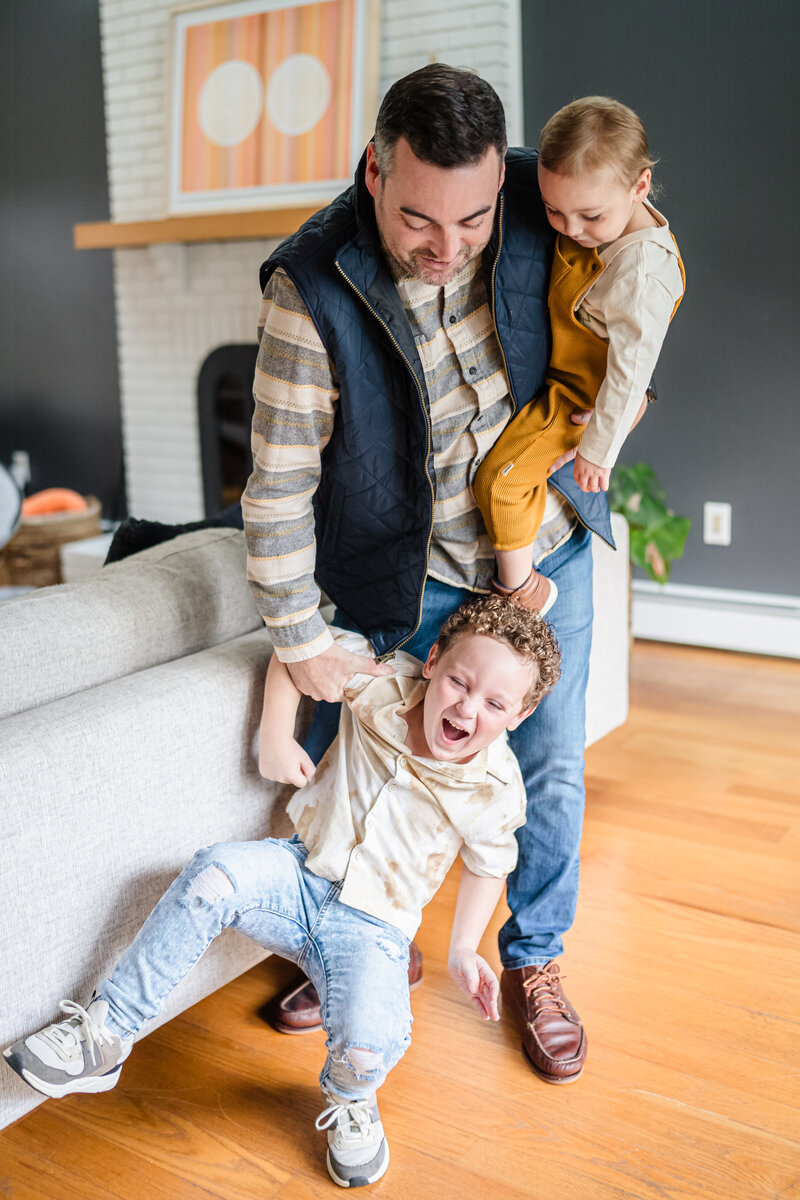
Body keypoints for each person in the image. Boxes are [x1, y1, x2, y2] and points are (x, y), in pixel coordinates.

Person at [243, 63, 649, 1085]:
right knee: (367, 761)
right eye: (419, 219)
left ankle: (535, 959)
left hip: (540, 542)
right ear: (375, 170)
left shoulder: (532, 194)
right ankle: (361, 943)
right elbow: (277, 489)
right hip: (408, 569)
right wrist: (296, 643)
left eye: (472, 221)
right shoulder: (310, 288)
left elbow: (639, 240)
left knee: (547, 770)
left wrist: (623, 391)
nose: (449, 245)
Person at [4, 597, 560, 1190]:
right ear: (431, 663)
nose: (466, 707)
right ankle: (108, 1030)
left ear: (519, 717)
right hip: (297, 876)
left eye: (494, 703)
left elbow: (488, 863)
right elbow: (297, 653)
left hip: (375, 928)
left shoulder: (496, 787)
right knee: (215, 872)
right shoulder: (378, 683)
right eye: (459, 681)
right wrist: (274, 734)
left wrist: (462, 949)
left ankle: (351, 1101)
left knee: (371, 1045)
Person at [473, 97, 685, 614]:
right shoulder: (600, 220)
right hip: (559, 360)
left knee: (502, 479)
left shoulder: (641, 275)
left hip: (579, 392)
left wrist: (598, 447)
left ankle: (521, 590)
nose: (569, 228)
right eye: (553, 210)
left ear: (639, 187)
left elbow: (631, 372)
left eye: (589, 215)